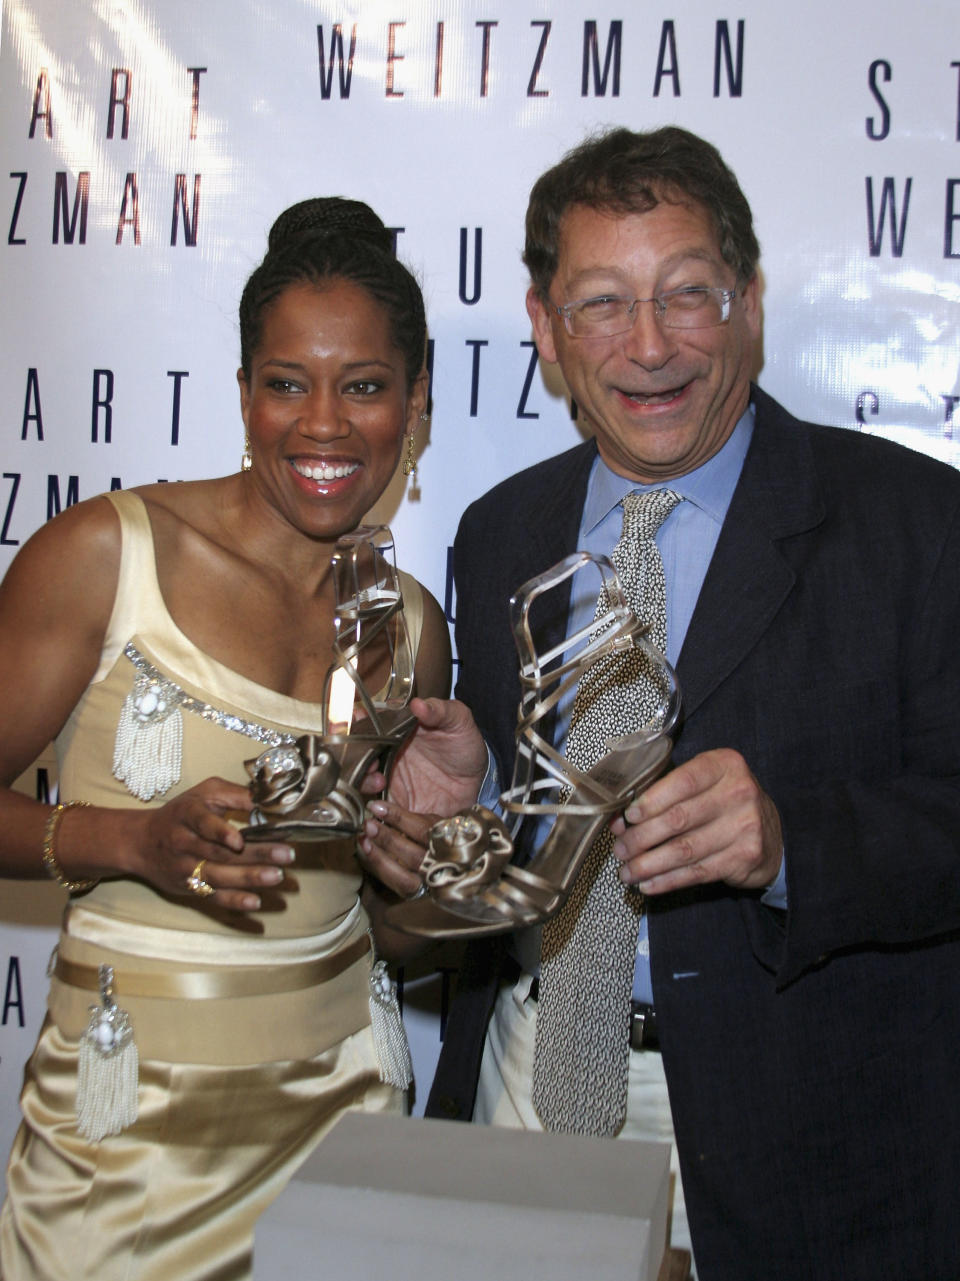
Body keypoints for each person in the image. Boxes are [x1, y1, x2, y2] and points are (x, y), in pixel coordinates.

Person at [362, 126, 960, 1280]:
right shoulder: (500, 533)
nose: (650, 345)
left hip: (791, 1142)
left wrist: (790, 843)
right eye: (602, 303)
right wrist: (473, 797)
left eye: (688, 293)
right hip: (522, 1091)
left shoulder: (916, 526)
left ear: (750, 303)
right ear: (544, 329)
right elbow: (523, 836)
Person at [0, 196, 450, 1279]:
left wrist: (430, 874)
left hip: (346, 1111)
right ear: (244, 394)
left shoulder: (416, 628)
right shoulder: (107, 554)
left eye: (366, 386)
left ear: (416, 403)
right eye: (288, 383)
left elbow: (402, 936)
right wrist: (133, 845)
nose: (325, 425)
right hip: (135, 1136)